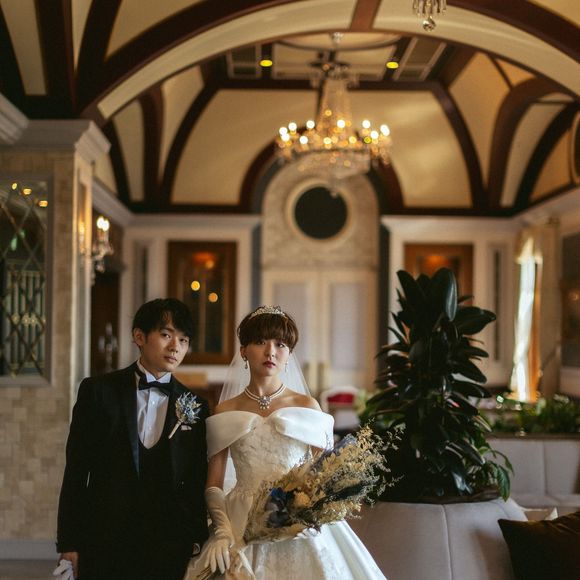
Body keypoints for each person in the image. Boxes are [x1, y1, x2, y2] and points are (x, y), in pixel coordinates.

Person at [186, 305, 386, 580]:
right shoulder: (224, 410)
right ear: (243, 351)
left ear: (289, 354)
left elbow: (328, 477)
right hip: (240, 520)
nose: (270, 352)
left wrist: (311, 512)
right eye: (260, 342)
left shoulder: (307, 405)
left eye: (280, 344)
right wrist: (222, 531)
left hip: (298, 520)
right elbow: (214, 484)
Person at [56, 298, 209, 580]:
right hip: (104, 539)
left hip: (169, 543)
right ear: (139, 336)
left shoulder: (196, 405)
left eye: (184, 340)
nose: (175, 347)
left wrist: (197, 539)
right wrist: (69, 543)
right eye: (166, 335)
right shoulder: (98, 392)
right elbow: (76, 471)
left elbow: (197, 479)